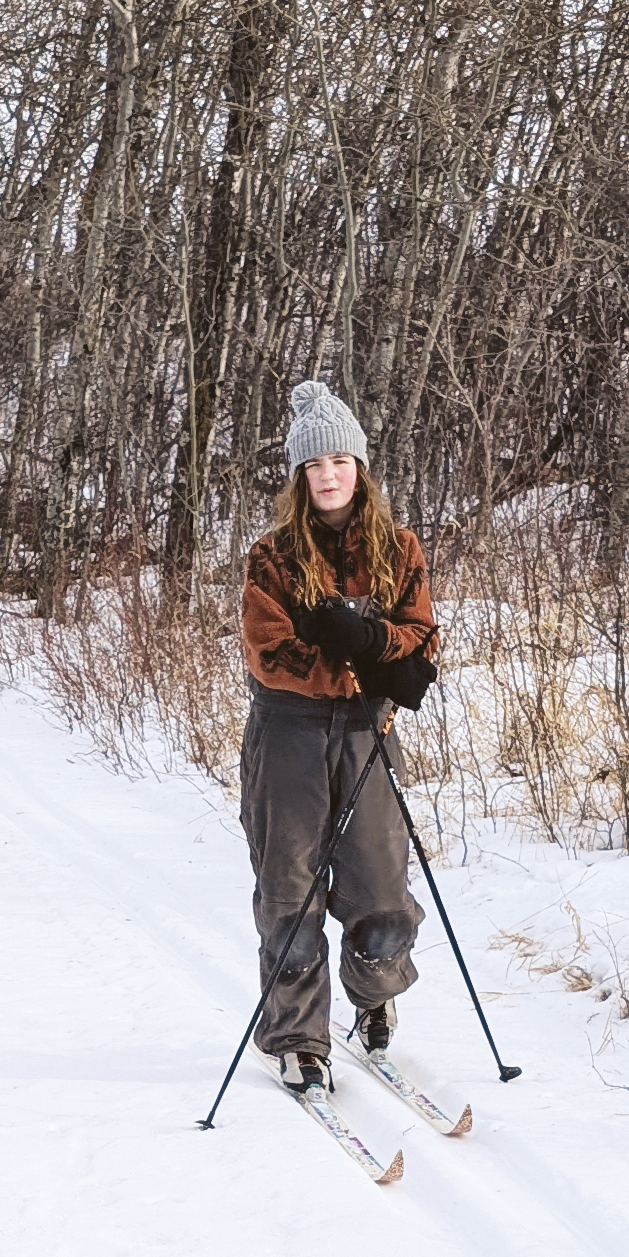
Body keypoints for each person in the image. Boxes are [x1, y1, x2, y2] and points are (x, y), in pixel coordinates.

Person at [237, 381, 439, 1097]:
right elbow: (271, 652)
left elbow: (419, 636)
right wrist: (362, 663)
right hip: (287, 739)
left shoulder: (400, 548)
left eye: (340, 462)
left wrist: (368, 640)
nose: (328, 475)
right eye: (314, 466)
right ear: (299, 477)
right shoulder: (271, 557)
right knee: (290, 893)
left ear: (360, 468)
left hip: (368, 738)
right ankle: (297, 1038)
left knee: (382, 892)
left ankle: (374, 997)